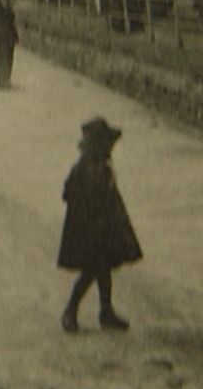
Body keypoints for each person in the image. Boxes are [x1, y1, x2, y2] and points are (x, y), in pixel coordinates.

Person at [57, 117, 142, 333]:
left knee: (102, 270)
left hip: (101, 229)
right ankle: (71, 310)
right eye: (108, 143)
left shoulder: (98, 165)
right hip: (91, 231)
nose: (112, 147)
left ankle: (105, 312)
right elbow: (70, 194)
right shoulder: (88, 168)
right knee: (93, 270)